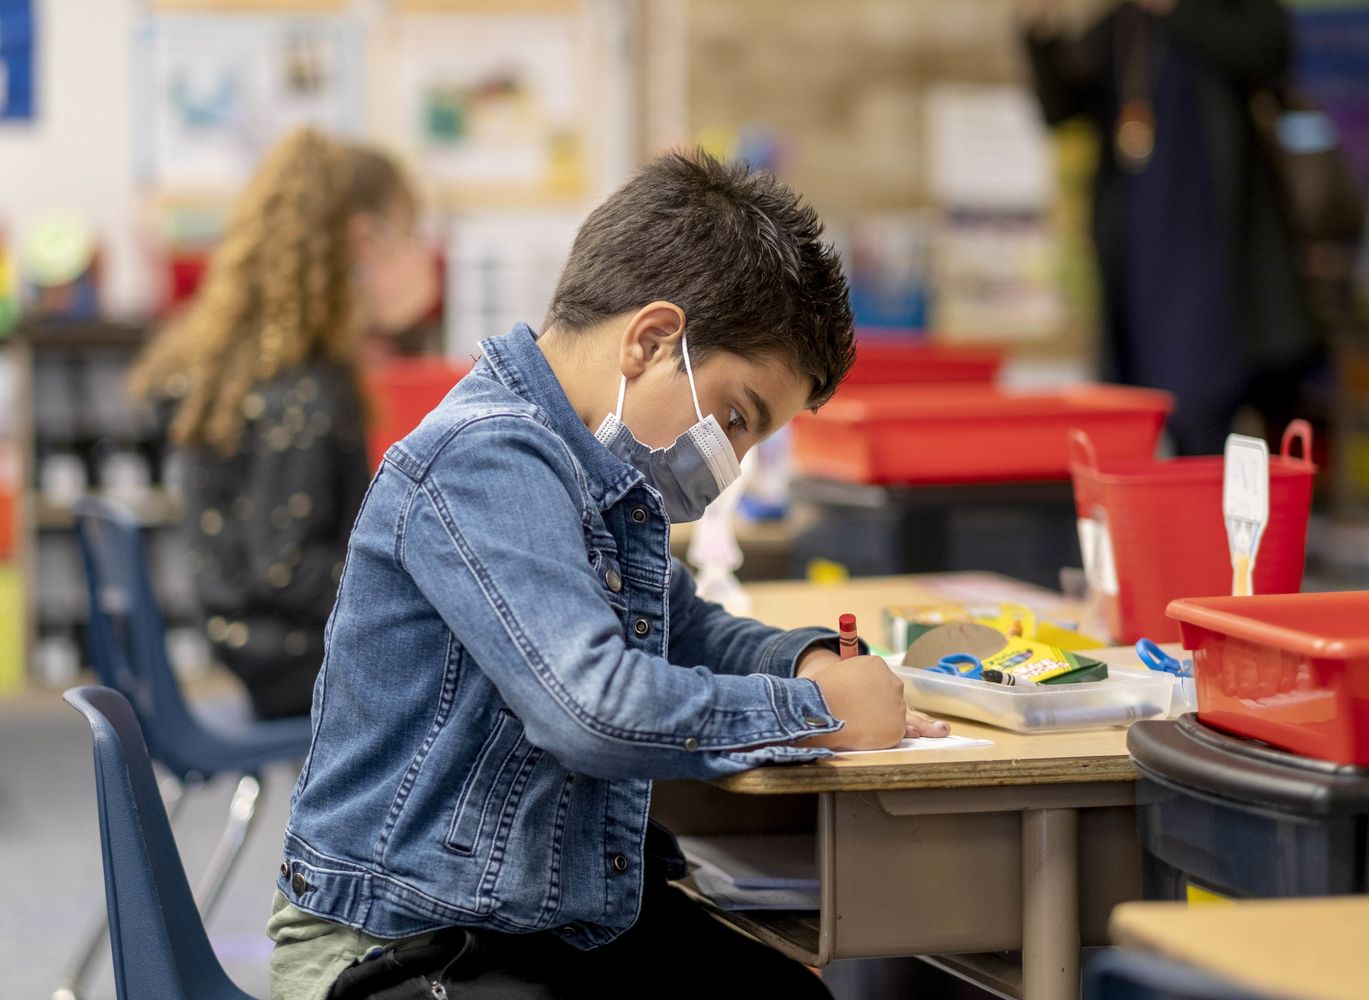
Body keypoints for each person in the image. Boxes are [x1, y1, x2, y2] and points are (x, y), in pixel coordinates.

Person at [267, 148, 948, 1000]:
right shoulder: (485, 457)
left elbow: (685, 627)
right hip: (399, 939)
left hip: (528, 922)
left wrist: (802, 662)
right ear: (652, 341)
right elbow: (590, 708)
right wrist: (816, 714)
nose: (732, 461)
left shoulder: (594, 477)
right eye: (736, 417)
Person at [131, 127, 437, 719]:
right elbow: (285, 568)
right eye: (412, 233)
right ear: (363, 241)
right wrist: (419, 578)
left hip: (258, 644)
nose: (421, 253)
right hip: (288, 658)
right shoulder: (306, 390)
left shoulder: (276, 369)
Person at [1025, 0, 1320, 454]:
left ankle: (1212, 485)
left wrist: (1174, 9)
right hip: (1143, 251)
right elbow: (1060, 107)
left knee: (1204, 396)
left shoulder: (1224, 11)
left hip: (1213, 239)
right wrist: (1041, 31)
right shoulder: (1122, 25)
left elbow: (1268, 55)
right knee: (1145, 387)